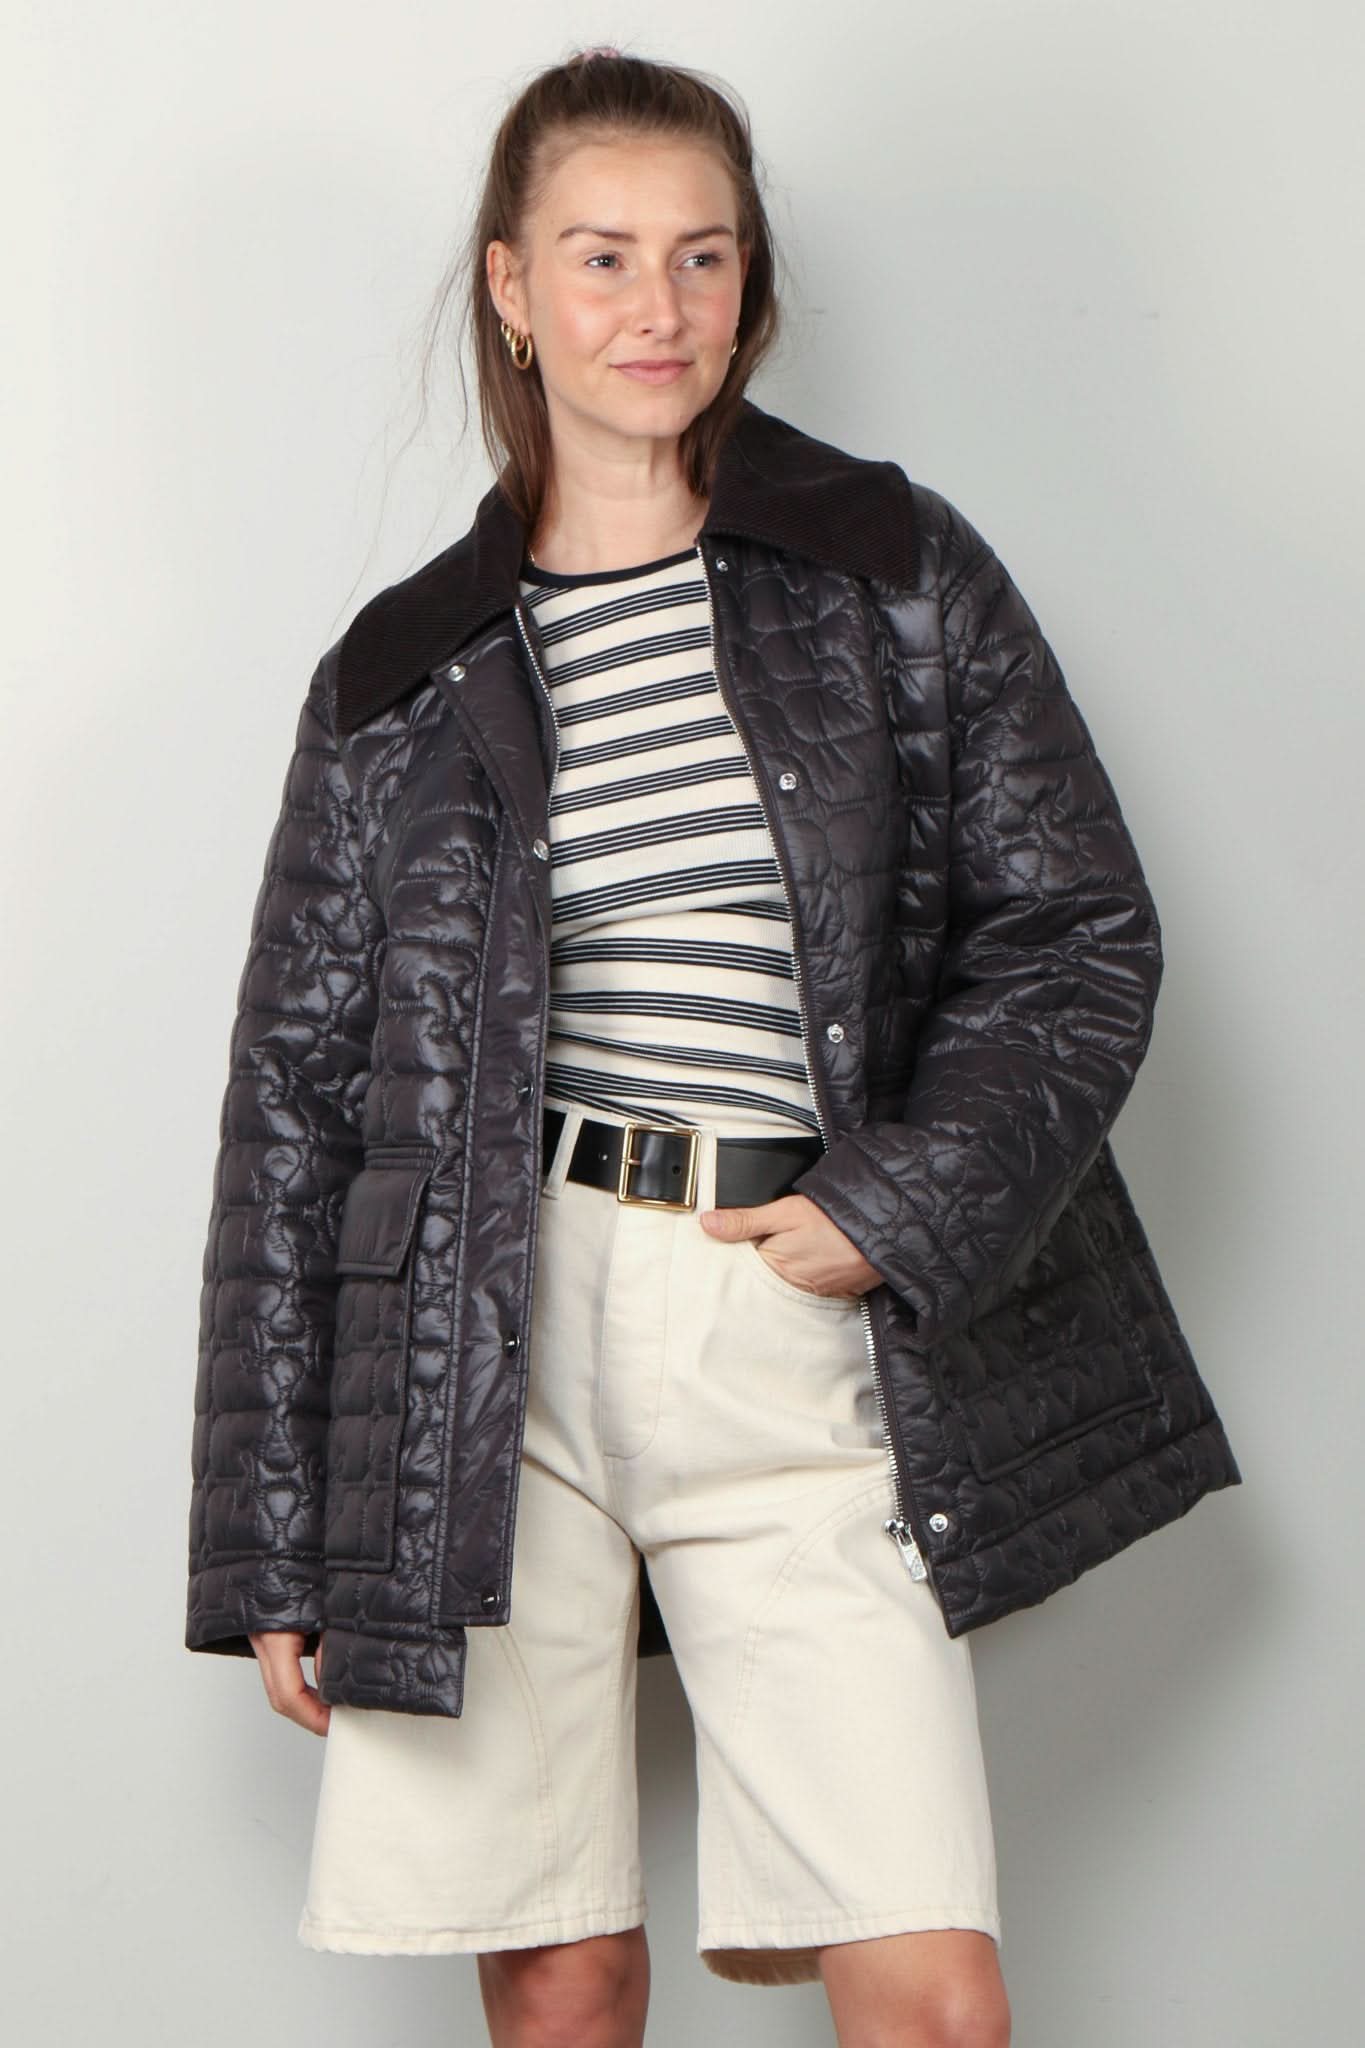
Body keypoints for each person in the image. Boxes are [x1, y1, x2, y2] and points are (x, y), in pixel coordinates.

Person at [185, 45, 1241, 2047]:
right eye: (601, 256)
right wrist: (274, 1535)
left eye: (701, 255)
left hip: (789, 1304)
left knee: (928, 1995)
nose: (655, 308)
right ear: (511, 286)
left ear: (747, 280)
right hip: (484, 1344)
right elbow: (296, 1107)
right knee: (563, 1986)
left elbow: (1075, 935)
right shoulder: (396, 673)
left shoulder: (887, 569)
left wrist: (891, 1208)